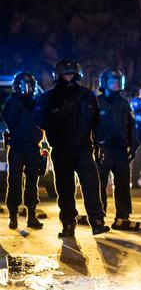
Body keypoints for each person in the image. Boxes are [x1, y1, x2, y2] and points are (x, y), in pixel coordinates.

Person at [37, 60, 110, 237]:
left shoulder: (87, 95)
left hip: (84, 148)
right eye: (65, 74)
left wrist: (100, 144)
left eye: (71, 74)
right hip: (61, 150)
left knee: (91, 186)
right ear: (59, 76)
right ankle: (68, 223)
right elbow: (40, 119)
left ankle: (97, 222)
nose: (68, 77)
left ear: (77, 75)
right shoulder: (49, 98)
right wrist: (55, 131)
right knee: (65, 189)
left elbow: (96, 123)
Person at [94, 70, 137, 226]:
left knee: (123, 184)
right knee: (100, 184)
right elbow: (90, 127)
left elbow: (132, 126)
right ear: (105, 83)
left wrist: (133, 146)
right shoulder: (97, 102)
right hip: (103, 149)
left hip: (120, 150)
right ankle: (98, 215)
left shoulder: (124, 103)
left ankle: (123, 216)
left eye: (118, 82)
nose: (116, 85)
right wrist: (94, 147)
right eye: (113, 82)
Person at [1, 72, 44, 229]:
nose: (28, 88)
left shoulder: (37, 102)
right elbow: (9, 119)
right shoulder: (12, 101)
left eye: (30, 85)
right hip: (17, 147)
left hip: (33, 147)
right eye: (24, 85)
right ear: (17, 86)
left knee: (32, 183)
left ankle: (31, 215)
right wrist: (20, 103)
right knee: (14, 182)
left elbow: (43, 120)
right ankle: (13, 216)